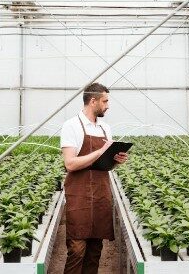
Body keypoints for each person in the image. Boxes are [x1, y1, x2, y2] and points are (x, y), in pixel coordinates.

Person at [60, 82, 128, 274]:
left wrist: (115, 159)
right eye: (105, 101)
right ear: (92, 101)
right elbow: (70, 164)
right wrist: (100, 151)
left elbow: (103, 164)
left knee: (95, 250)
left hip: (100, 194)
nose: (108, 105)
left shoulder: (105, 128)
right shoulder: (71, 126)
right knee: (77, 249)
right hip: (79, 195)